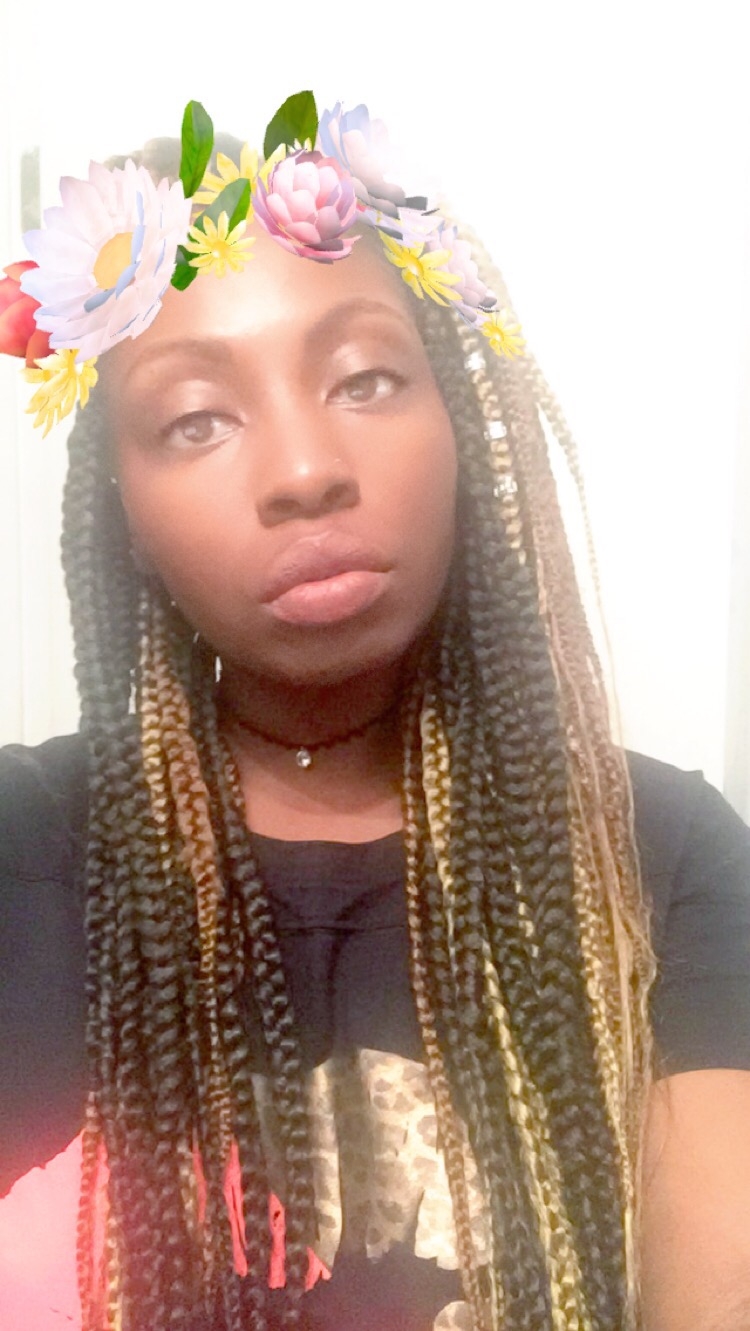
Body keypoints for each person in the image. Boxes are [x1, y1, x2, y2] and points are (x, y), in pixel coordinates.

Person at [1, 100, 749, 1331]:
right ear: (123, 514)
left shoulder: (661, 854)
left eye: (365, 379)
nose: (305, 470)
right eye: (196, 419)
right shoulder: (21, 843)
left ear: (456, 425)